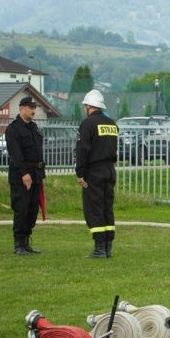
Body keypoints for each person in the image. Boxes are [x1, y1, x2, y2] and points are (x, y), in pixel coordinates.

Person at [76, 89, 118, 259]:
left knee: (93, 208)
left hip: (94, 171)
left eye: (85, 106)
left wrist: (80, 173)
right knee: (107, 208)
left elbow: (82, 150)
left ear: (89, 106)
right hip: (110, 170)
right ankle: (108, 247)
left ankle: (99, 248)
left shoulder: (87, 124)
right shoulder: (112, 124)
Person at [5, 96, 45, 255]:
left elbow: (39, 154)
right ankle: (18, 244)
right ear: (21, 108)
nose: (33, 110)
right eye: (30, 107)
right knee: (21, 209)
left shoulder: (35, 128)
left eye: (34, 107)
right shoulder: (13, 129)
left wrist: (41, 175)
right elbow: (15, 154)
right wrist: (24, 174)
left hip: (36, 175)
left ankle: (26, 242)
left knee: (32, 210)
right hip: (21, 176)